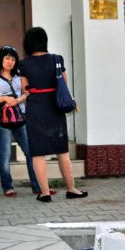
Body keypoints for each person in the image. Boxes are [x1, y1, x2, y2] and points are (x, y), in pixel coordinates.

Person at [18, 27, 88, 202]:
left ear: (28, 43)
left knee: (38, 153)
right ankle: (71, 189)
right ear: (45, 41)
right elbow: (63, 82)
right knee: (62, 151)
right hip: (55, 108)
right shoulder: (57, 59)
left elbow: (24, 88)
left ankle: (45, 192)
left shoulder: (24, 64)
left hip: (35, 109)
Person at [0, 45, 44, 197]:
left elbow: (27, 92)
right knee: (5, 154)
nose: (10, 62)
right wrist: (5, 98)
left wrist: (19, 99)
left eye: (13, 59)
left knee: (31, 152)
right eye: (7, 58)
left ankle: (37, 186)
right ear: (1, 59)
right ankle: (8, 187)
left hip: (20, 118)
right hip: (1, 119)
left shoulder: (20, 77)